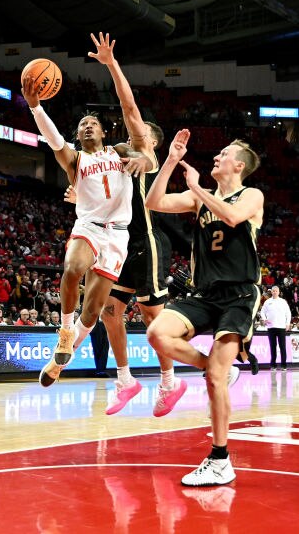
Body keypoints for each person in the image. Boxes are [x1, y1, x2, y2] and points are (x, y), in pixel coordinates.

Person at [145, 128, 263, 486]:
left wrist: (196, 188)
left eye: (223, 154)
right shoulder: (201, 197)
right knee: (157, 333)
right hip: (204, 292)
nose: (216, 157)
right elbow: (154, 202)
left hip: (240, 292)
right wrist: (170, 162)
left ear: (238, 165)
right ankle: (215, 367)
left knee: (214, 380)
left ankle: (220, 459)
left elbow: (231, 217)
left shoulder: (252, 194)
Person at [22, 65, 153, 387]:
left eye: (93, 123)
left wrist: (144, 161)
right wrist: (35, 106)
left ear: (104, 132)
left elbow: (150, 159)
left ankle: (57, 362)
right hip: (89, 226)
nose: (88, 127)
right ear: (78, 136)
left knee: (93, 313)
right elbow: (53, 139)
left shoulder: (119, 151)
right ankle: (65, 332)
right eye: (83, 125)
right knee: (72, 268)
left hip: (118, 236)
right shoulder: (75, 159)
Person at [87, 32, 185, 415]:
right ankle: (125, 380)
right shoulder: (116, 160)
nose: (132, 129)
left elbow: (129, 109)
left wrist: (112, 65)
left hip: (148, 242)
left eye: (139, 129)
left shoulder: (146, 152)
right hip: (122, 244)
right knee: (111, 311)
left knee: (151, 316)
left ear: (149, 140)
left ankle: (168, 381)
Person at [260, 286, 291, 371]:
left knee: (282, 347)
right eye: (273, 291)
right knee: (273, 346)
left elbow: (288, 313)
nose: (274, 292)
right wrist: (264, 319)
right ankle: (273, 365)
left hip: (281, 327)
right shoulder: (267, 302)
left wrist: (287, 323)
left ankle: (284, 365)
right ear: (271, 292)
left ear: (279, 292)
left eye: (276, 291)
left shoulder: (283, 302)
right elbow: (262, 312)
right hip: (271, 327)